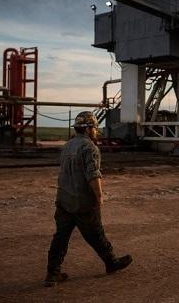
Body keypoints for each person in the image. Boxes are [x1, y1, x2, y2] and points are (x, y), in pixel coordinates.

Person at [45, 111, 132, 287]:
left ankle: (52, 274)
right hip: (82, 202)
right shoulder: (90, 147)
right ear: (88, 129)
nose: (95, 131)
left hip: (63, 200)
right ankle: (111, 262)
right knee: (96, 234)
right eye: (94, 127)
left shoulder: (67, 146)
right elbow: (93, 175)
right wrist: (99, 197)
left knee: (60, 238)